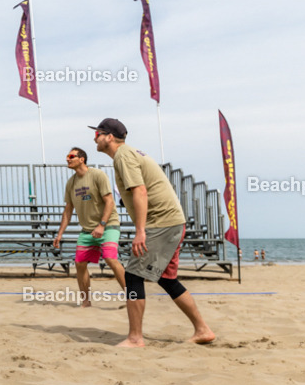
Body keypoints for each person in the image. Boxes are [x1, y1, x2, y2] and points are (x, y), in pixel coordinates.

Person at [91, 118, 215, 346]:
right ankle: (203, 330)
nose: (94, 138)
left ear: (109, 137)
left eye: (98, 134)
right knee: (167, 279)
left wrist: (140, 231)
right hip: (171, 221)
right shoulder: (130, 154)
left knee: (132, 276)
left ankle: (135, 338)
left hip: (161, 222)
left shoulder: (123, 156)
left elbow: (140, 191)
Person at [53, 147, 126, 307]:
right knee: (79, 264)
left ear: (82, 159)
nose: (67, 159)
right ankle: (86, 302)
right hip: (87, 230)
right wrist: (60, 234)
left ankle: (132, 297)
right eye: (67, 156)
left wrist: (101, 225)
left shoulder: (98, 175)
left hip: (108, 225)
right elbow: (68, 210)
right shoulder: (71, 183)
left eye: (71, 156)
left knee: (110, 259)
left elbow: (109, 202)